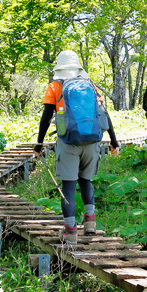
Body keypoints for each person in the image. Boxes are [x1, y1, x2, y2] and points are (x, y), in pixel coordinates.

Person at [33, 50, 119, 245]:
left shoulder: (55, 86)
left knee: (69, 187)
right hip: (91, 142)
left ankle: (71, 232)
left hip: (69, 143)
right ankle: (90, 222)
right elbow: (103, 115)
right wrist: (114, 141)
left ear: (59, 67)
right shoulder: (90, 86)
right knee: (86, 180)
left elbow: (46, 118)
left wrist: (38, 144)